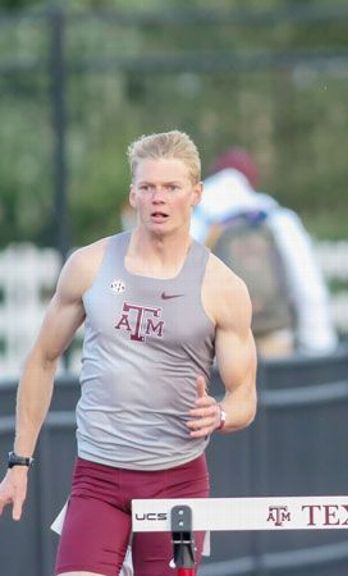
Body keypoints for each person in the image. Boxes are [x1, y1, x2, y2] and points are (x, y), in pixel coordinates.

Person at [0, 130, 258, 575]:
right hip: (98, 480)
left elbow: (245, 398)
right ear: (133, 195)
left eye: (171, 187)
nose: (159, 199)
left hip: (177, 485)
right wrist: (19, 462)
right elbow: (41, 359)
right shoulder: (89, 265)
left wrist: (218, 415)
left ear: (195, 194)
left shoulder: (223, 287)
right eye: (148, 187)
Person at [190, 149, 338, 358]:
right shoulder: (275, 218)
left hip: (219, 342)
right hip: (274, 335)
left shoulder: (199, 219)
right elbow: (309, 287)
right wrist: (319, 347)